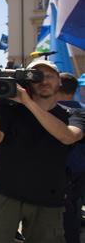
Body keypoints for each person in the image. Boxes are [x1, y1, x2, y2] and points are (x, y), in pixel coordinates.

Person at [0, 60, 85, 242]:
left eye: (49, 76)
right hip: (4, 193)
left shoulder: (74, 114)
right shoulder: (11, 109)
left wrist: (27, 101)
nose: (44, 81)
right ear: (28, 82)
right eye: (37, 77)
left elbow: (67, 136)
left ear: (59, 81)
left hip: (49, 199)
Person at [57, 73, 85, 243]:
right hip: (80, 169)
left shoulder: (53, 112)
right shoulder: (82, 110)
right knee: (74, 207)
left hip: (61, 171)